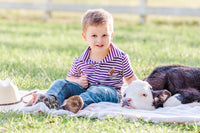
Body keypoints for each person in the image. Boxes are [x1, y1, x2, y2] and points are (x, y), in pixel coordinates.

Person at [27, 9, 138, 113]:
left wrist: (141, 92)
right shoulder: (81, 60)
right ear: (85, 37)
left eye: (105, 35)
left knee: (97, 90)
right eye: (94, 36)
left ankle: (75, 104)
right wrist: (78, 81)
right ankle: (51, 100)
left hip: (111, 93)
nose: (99, 40)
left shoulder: (120, 57)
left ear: (111, 35)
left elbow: (130, 78)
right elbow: (70, 79)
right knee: (61, 83)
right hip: (85, 90)